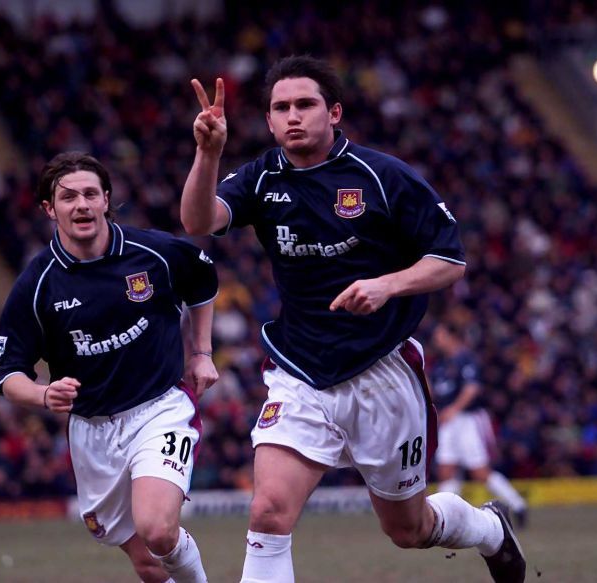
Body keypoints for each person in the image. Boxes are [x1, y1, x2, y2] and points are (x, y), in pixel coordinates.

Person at [181, 56, 526, 583]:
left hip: (381, 370)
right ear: (269, 120)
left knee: (408, 529)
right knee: (268, 512)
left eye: (305, 104)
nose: (292, 116)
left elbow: (449, 260)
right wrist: (208, 154)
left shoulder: (383, 177)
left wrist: (387, 284)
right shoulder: (260, 177)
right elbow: (198, 220)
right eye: (280, 108)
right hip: (300, 371)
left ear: (334, 112)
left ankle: (488, 530)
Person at [0, 152, 218, 583]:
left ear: (106, 199)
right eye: (68, 196)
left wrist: (201, 352)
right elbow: (6, 375)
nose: (81, 205)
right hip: (92, 431)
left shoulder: (154, 252)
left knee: (158, 529)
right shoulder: (37, 284)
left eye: (91, 194)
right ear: (48, 208)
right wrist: (43, 394)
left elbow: (204, 281)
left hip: (159, 409)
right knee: (148, 563)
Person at [429, 321, 528, 527]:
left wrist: (454, 409)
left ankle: (518, 504)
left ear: (451, 336)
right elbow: (435, 392)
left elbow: (472, 388)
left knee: (479, 471)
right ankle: (446, 519)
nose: (436, 339)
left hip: (467, 419)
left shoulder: (466, 359)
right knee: (446, 469)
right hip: (448, 421)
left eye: (439, 335)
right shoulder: (440, 364)